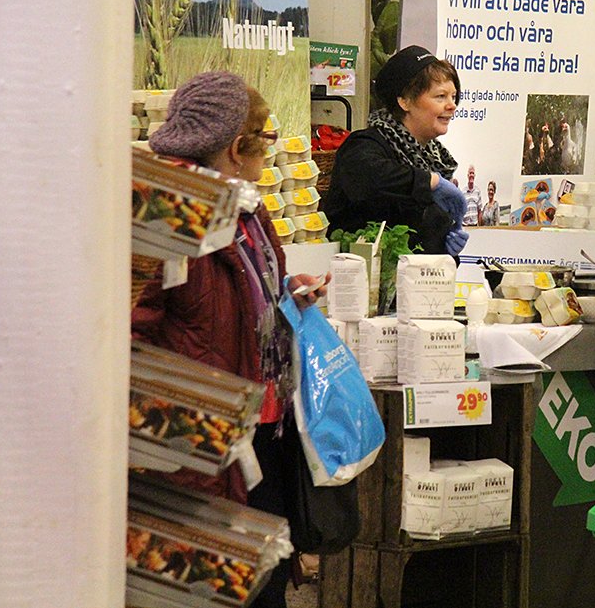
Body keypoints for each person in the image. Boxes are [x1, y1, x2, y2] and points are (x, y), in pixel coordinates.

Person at [132, 71, 328, 608]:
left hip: (262, 434)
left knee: (263, 583)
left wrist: (286, 292)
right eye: (264, 139)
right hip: (202, 450)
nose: (269, 150)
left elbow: (241, 290)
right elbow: (132, 332)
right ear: (234, 147)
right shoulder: (168, 214)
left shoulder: (247, 207)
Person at [323, 45, 469, 256]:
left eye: (453, 97)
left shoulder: (434, 159)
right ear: (404, 101)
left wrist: (446, 250)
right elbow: (371, 179)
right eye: (440, 96)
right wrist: (431, 182)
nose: (452, 105)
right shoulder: (364, 145)